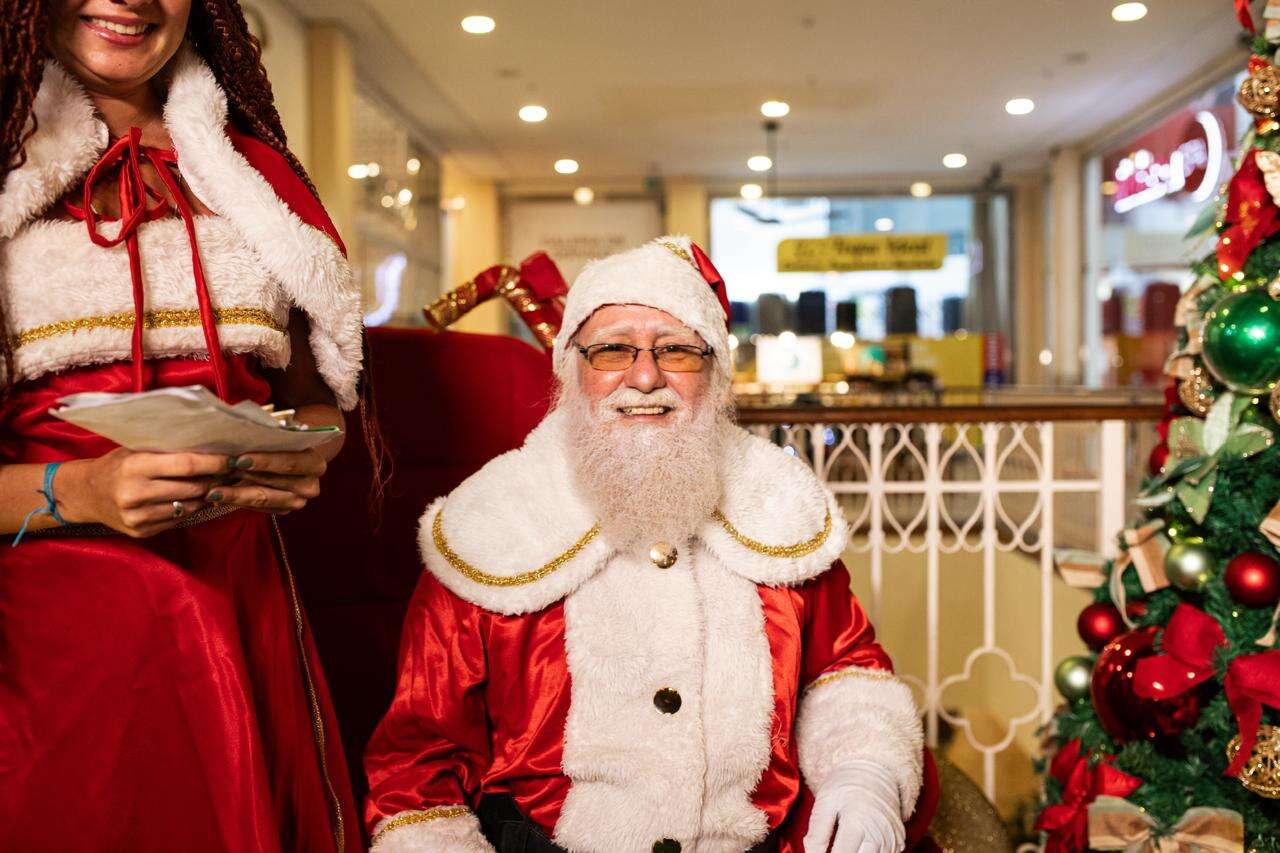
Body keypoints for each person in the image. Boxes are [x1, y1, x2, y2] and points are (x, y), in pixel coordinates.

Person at [364, 236, 937, 853]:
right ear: (571, 369)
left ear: (715, 373)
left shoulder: (777, 508)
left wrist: (865, 772)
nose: (644, 377)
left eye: (677, 351)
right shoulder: (493, 525)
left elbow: (845, 670)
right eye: (612, 350)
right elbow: (419, 763)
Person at [0, 1, 364, 849]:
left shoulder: (256, 176)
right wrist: (77, 488)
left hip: (240, 606)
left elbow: (320, 400)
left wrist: (306, 449)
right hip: (38, 647)